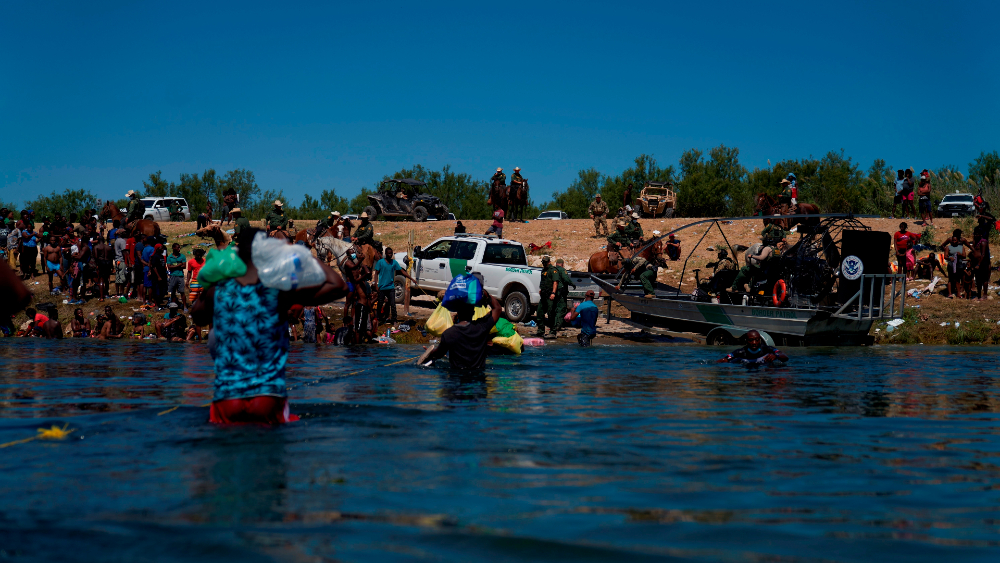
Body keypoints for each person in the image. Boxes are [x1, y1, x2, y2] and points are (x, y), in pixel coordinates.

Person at [191, 227, 348, 424]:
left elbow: (196, 316)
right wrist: (302, 255)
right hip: (267, 397)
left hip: (227, 398)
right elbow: (338, 286)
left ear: (238, 253)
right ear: (269, 252)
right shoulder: (278, 290)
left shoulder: (218, 290)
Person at [419, 290, 502, 370]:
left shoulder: (449, 334)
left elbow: (438, 354)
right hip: (479, 380)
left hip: (456, 380)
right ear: (473, 313)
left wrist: (430, 353)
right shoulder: (482, 327)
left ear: (458, 313)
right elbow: (497, 308)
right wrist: (484, 293)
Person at [372, 246, 416, 326]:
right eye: (389, 253)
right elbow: (376, 273)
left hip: (391, 287)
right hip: (382, 287)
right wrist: (376, 284)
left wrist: (411, 279)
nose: (390, 255)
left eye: (391, 253)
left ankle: (394, 319)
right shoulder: (380, 262)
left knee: (393, 304)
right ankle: (377, 319)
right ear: (385, 254)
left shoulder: (394, 263)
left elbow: (402, 271)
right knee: (380, 304)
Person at [717, 330, 788, 365]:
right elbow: (725, 359)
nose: (754, 343)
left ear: (759, 340)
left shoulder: (767, 349)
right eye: (751, 340)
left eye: (756, 340)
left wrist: (776, 356)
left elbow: (784, 357)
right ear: (747, 341)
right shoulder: (740, 352)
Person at [534, 255, 555, 338]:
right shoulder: (543, 270)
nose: (544, 264)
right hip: (543, 294)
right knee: (539, 312)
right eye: (543, 262)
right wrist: (541, 289)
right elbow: (543, 281)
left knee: (550, 313)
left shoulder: (552, 270)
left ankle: (552, 332)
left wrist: (553, 293)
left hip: (550, 294)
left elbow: (555, 282)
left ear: (549, 262)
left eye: (545, 262)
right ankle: (540, 330)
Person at [944, 230, 969, 299]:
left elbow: (964, 256)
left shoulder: (961, 247)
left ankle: (958, 293)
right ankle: (949, 294)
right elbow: (945, 256)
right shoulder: (948, 247)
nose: (954, 241)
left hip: (959, 265)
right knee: (951, 279)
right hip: (951, 265)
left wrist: (960, 254)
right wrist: (950, 258)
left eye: (955, 240)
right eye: (953, 240)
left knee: (958, 279)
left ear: (958, 241)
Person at [166, 243, 188, 309]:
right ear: (173, 248)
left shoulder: (182, 256)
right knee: (173, 292)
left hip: (180, 276)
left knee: (182, 292)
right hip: (173, 276)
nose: (179, 249)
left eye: (179, 247)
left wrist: (174, 266)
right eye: (178, 247)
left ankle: (185, 306)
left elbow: (184, 266)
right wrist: (178, 265)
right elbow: (169, 267)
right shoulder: (169, 257)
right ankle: (173, 306)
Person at [93, 234, 114, 300]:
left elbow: (96, 257)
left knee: (101, 280)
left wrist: (96, 265)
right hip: (108, 263)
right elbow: (111, 257)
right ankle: (106, 294)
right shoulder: (108, 247)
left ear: (98, 241)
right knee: (106, 279)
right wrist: (111, 266)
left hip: (101, 262)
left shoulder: (96, 247)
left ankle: (101, 297)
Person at [113, 229, 129, 297]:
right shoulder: (122, 241)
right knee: (122, 276)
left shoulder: (116, 240)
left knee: (117, 277)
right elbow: (124, 252)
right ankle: (122, 292)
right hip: (121, 260)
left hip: (117, 260)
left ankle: (117, 292)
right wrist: (127, 261)